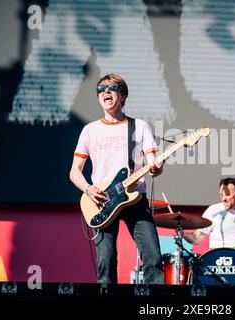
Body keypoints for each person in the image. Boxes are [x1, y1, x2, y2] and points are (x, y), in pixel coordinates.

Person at [69, 73, 164, 284]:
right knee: (106, 261)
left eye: (111, 88)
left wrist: (156, 167)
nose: (106, 92)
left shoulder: (139, 126)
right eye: (101, 89)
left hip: (134, 199)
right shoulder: (90, 130)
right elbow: (75, 171)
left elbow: (152, 161)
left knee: (153, 258)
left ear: (122, 95)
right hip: (101, 200)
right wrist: (88, 189)